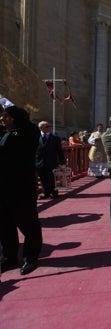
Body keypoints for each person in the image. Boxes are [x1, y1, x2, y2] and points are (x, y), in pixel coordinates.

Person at [0, 104, 43, 275]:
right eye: (2, 116)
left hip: (21, 187)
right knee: (4, 225)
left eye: (7, 116)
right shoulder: (3, 132)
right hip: (2, 187)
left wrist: (12, 117)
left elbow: (23, 131)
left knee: (28, 223)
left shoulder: (26, 132)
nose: (3, 119)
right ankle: (9, 257)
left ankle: (30, 257)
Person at [36, 121, 66, 199]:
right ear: (41, 128)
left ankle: (53, 191)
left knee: (51, 177)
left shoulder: (56, 138)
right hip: (39, 161)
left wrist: (62, 161)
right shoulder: (35, 137)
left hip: (51, 161)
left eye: (49, 126)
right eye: (47, 126)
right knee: (42, 178)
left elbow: (59, 151)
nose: (49, 127)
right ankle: (45, 192)